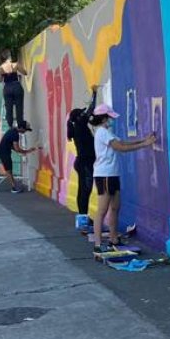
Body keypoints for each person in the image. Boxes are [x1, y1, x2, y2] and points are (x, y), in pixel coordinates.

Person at [90, 104, 155, 251]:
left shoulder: (107, 132)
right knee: (102, 210)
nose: (112, 120)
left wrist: (143, 140)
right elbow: (121, 148)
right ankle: (98, 244)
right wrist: (144, 144)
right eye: (110, 117)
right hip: (104, 175)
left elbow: (123, 142)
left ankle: (113, 239)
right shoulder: (102, 132)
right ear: (104, 118)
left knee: (115, 207)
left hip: (112, 174)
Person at [68, 86, 99, 234]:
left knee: (82, 190)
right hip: (85, 163)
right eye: (82, 113)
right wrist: (94, 92)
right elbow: (91, 108)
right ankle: (84, 219)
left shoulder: (75, 127)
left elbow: (88, 111)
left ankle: (82, 217)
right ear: (79, 117)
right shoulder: (80, 124)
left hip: (82, 162)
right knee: (85, 190)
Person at [0, 119, 36, 193]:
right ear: (21, 128)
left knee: (9, 169)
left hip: (3, 150)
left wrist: (24, 151)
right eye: (25, 130)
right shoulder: (15, 134)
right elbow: (17, 148)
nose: (25, 131)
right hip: (3, 152)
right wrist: (27, 151)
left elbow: (11, 146)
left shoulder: (12, 131)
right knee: (9, 170)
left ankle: (14, 185)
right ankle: (13, 188)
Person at [0, 49, 28, 128]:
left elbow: (0, 80)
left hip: (7, 88)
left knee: (9, 109)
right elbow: (25, 72)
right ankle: (20, 124)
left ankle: (10, 125)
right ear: (8, 57)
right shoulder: (15, 65)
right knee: (19, 107)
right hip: (16, 86)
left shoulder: (0, 68)